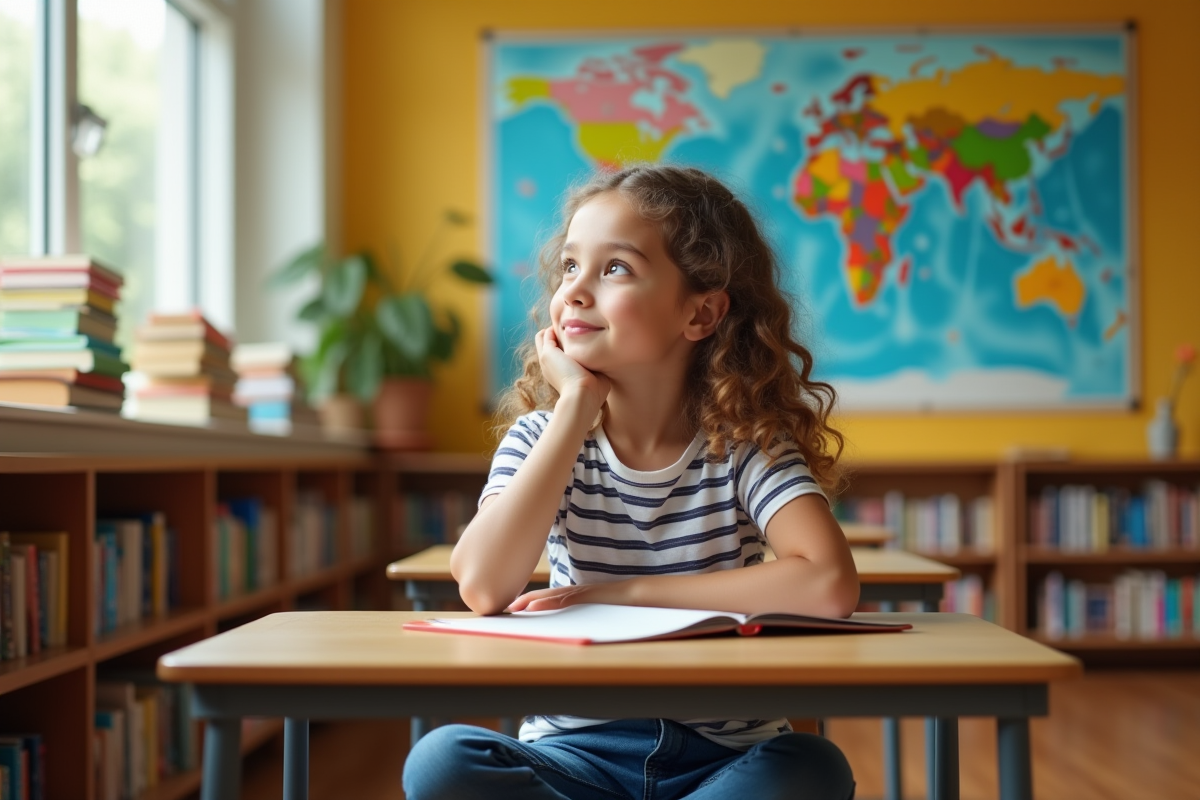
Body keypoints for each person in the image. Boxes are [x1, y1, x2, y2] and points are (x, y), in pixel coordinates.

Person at [403, 164, 859, 800]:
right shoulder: (540, 439)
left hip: (724, 756)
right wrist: (573, 410)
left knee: (811, 765)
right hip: (573, 753)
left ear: (700, 313)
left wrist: (619, 595)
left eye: (614, 268)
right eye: (569, 267)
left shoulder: (744, 443)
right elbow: (482, 584)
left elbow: (829, 582)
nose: (575, 292)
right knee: (441, 761)